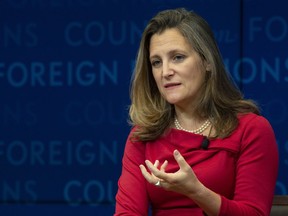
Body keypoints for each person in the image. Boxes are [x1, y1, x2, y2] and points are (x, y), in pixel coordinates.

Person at [114, 8, 279, 216]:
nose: (165, 72)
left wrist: (197, 191)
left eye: (178, 57)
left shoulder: (251, 130)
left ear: (207, 61)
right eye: (156, 62)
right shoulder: (143, 136)